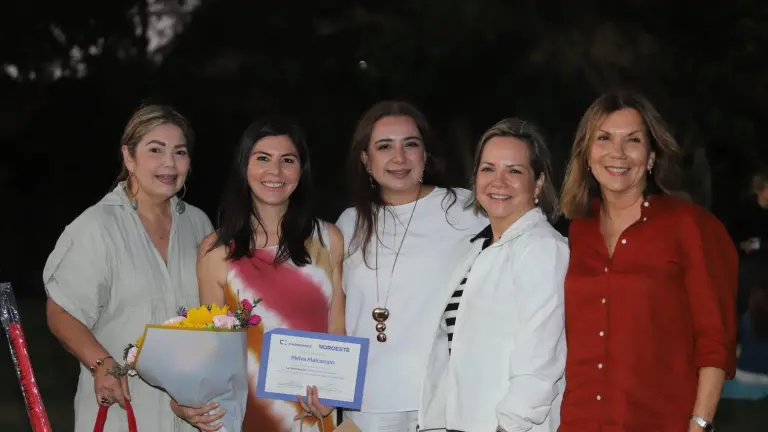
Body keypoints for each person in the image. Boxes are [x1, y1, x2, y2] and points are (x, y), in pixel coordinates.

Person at [558, 91, 738, 432]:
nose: (618, 153)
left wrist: (700, 424)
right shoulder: (577, 233)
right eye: (604, 138)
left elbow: (716, 342)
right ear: (586, 153)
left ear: (652, 156)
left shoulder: (691, 227)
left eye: (633, 140)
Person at [43, 104, 214, 431]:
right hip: (126, 411)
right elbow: (61, 312)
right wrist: (100, 363)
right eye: (155, 150)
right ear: (129, 157)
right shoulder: (97, 227)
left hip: (192, 414)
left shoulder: (198, 224)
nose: (169, 163)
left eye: (180, 152)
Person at [172, 118, 345, 432]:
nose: (275, 172)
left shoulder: (329, 239)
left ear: (300, 171)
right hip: (248, 415)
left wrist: (335, 391)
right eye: (262, 158)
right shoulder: (216, 250)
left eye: (287, 160)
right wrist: (183, 396)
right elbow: (211, 343)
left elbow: (337, 328)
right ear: (244, 167)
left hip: (316, 413)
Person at [335, 101, 488, 431]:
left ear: (426, 154)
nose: (399, 158)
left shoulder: (465, 209)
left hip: (441, 403)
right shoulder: (348, 224)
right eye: (384, 146)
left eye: (411, 145)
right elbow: (335, 312)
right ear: (365, 159)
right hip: (368, 405)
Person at [419, 118, 567, 431]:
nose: (498, 182)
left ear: (538, 182)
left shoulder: (543, 249)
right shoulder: (477, 251)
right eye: (488, 168)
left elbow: (540, 359)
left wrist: (510, 425)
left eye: (514, 171)